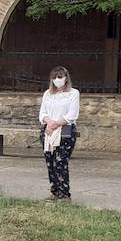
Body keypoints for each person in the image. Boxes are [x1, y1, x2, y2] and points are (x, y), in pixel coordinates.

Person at [39, 66, 80, 202]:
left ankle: (64, 194)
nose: (58, 80)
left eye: (60, 77)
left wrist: (55, 124)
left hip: (65, 128)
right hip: (49, 129)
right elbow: (42, 113)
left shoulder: (73, 93)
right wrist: (49, 123)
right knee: (50, 161)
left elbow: (72, 115)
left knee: (61, 162)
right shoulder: (48, 94)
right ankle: (54, 192)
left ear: (66, 78)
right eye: (55, 77)